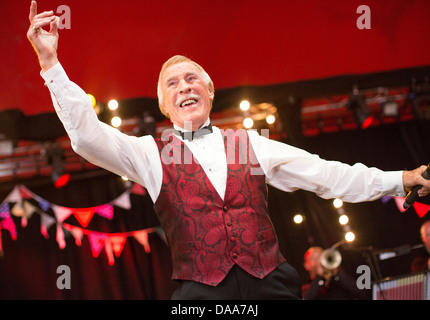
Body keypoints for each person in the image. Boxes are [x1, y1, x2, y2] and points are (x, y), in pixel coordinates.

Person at [27, 1, 430, 300]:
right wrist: (50, 63)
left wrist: (402, 180)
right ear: (165, 107)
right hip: (200, 298)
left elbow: (327, 175)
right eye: (172, 84)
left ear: (209, 91)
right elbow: (86, 136)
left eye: (191, 79)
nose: (184, 86)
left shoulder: (250, 143)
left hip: (273, 286)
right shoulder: (148, 153)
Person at [302, 247, 368, 300]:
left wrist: (337, 273)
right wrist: (318, 278)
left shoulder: (338, 282)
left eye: (321, 256)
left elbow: (362, 293)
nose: (319, 261)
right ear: (306, 265)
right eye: (314, 258)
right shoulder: (305, 289)